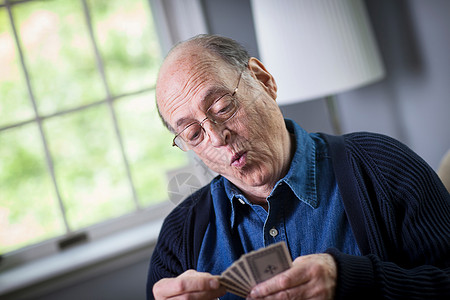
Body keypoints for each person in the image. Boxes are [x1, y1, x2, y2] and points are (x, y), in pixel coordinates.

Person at [147, 34, 450, 300]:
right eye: (194, 134)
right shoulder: (178, 239)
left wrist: (354, 279)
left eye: (223, 107)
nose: (216, 138)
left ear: (263, 81)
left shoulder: (383, 167)